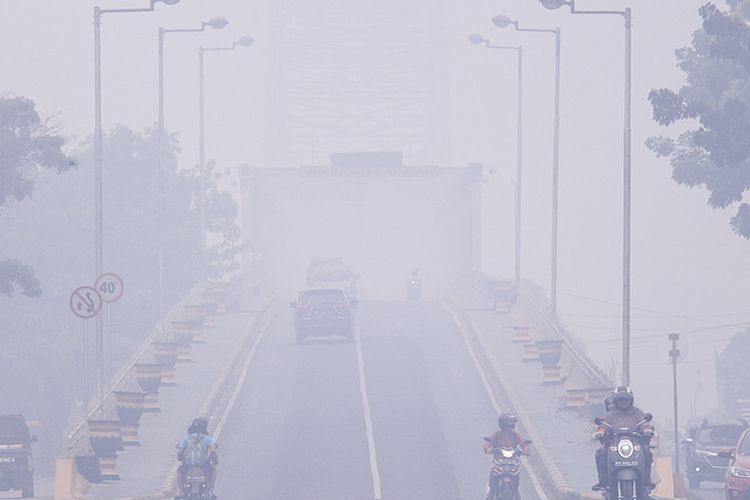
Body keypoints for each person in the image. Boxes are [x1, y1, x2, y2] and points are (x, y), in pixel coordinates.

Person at [592, 386, 655, 492]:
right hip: (615, 443)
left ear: (631, 400)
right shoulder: (610, 415)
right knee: (601, 452)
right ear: (615, 401)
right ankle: (603, 481)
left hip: (634, 444)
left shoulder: (637, 413)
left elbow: (645, 423)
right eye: (620, 400)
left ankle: (646, 480)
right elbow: (603, 425)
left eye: (626, 400)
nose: (623, 402)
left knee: (647, 452)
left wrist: (647, 430)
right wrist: (600, 432)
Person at [484, 412, 530, 498]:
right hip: (499, 461)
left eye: (511, 425)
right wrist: (488, 449)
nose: (510, 427)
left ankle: (516, 491)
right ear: (503, 425)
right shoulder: (496, 435)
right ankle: (491, 492)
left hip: (512, 462)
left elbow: (523, 443)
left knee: (516, 474)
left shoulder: (515, 435)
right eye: (508, 425)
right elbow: (488, 442)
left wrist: (526, 450)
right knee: (493, 472)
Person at [176, 417, 218, 500]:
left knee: (178, 471)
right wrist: (215, 460)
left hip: (188, 466)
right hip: (203, 466)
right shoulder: (208, 439)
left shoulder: (186, 438)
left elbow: (180, 452)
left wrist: (180, 459)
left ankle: (181, 491)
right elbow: (213, 451)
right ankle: (210, 491)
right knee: (214, 471)